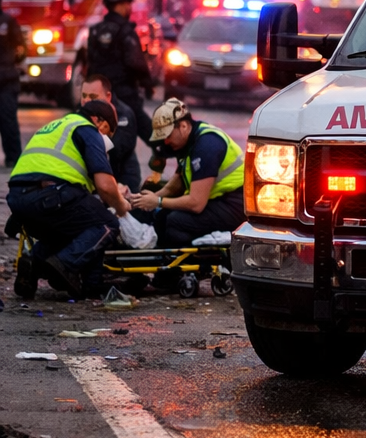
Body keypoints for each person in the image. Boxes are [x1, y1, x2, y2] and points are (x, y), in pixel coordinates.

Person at [7, 100, 129, 299]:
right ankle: (65, 265)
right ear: (98, 121)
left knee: (76, 228)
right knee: (106, 223)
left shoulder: (56, 126)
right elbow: (105, 186)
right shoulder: (88, 129)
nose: (105, 138)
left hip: (19, 200)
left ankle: (34, 264)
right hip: (49, 195)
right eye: (107, 132)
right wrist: (121, 204)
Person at [129, 98, 245, 247]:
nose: (166, 142)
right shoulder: (187, 142)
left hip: (234, 205)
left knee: (176, 221)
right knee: (161, 216)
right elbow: (175, 186)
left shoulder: (206, 145)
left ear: (183, 126)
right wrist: (149, 198)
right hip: (218, 200)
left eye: (168, 136)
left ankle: (198, 260)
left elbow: (196, 203)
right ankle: (165, 264)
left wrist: (158, 202)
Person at [86, 0, 154, 145]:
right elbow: (135, 62)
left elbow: (90, 60)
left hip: (100, 91)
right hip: (124, 91)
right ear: (121, 5)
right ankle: (164, 150)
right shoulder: (125, 31)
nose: (130, 8)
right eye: (128, 4)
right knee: (141, 124)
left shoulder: (96, 30)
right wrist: (148, 84)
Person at [80, 72, 141, 192]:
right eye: (84, 95)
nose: (86, 101)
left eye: (92, 97)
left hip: (122, 175)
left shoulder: (123, 116)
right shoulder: (78, 114)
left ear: (108, 97)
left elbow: (116, 150)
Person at [0, 0, 25, 166]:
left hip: (6, 79)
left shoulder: (7, 22)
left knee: (8, 119)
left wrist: (11, 64)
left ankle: (13, 158)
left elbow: (21, 48)